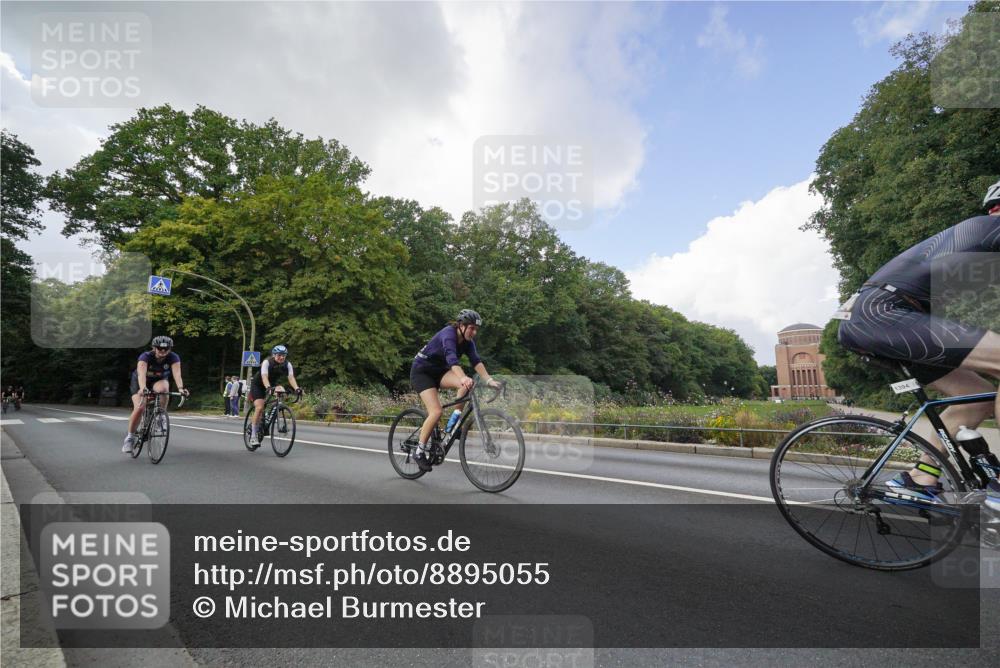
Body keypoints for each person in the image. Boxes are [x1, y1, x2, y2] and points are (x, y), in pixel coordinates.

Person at [837, 179, 1000, 508]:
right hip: (882, 314)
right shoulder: (990, 227)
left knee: (975, 400)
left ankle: (919, 478)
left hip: (881, 317)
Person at [409, 309, 502, 472]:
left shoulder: (468, 341)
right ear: (461, 325)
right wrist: (463, 377)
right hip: (422, 372)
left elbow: (476, 361)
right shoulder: (448, 334)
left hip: (439, 372)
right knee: (436, 412)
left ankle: (454, 423)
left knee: (467, 385)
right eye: (471, 328)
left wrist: (489, 380)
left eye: (476, 329)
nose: (474, 332)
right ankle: (419, 451)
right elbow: (451, 358)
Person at [123, 336, 189, 454]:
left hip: (158, 380)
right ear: (154, 348)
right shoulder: (145, 356)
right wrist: (143, 388)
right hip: (140, 381)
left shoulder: (173, 357)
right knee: (140, 407)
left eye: (166, 348)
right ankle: (130, 438)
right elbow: (141, 375)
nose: (163, 351)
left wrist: (180, 388)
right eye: (159, 348)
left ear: (170, 349)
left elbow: (177, 374)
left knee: (164, 388)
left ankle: (160, 415)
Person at [247, 345, 302, 446]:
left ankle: (268, 416)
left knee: (282, 391)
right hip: (258, 384)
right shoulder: (267, 362)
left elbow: (291, 377)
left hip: (272, 384)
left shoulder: (287, 364)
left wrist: (297, 388)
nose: (281, 357)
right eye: (279, 355)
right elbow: (264, 376)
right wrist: (268, 388)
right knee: (259, 407)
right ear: (274, 355)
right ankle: (253, 435)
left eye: (284, 355)